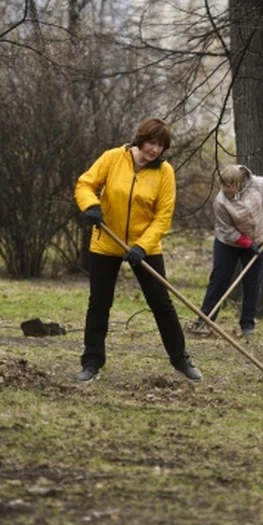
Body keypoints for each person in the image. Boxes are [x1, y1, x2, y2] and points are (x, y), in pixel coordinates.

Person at [75, 118, 202, 383]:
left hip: (145, 246)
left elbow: (163, 216)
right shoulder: (113, 158)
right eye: (151, 142)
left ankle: (180, 359)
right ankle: (92, 362)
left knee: (161, 303)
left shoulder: (164, 172)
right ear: (140, 139)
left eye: (160, 145)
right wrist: (91, 206)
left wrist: (142, 247)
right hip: (106, 242)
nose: (154, 149)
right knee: (99, 303)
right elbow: (85, 184)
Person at [189, 165, 263, 337]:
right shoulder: (220, 202)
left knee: (253, 283)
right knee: (219, 280)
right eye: (224, 185)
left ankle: (247, 324)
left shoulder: (257, 184)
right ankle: (204, 320)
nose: (227, 189)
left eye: (230, 185)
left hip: (259, 239)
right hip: (228, 243)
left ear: (240, 182)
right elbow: (228, 231)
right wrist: (247, 244)